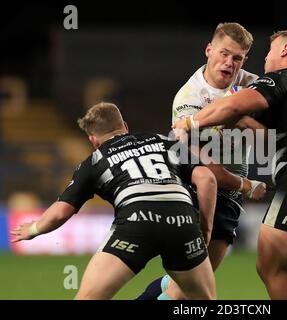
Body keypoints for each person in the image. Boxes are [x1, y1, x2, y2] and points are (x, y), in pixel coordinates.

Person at [173, 30, 287, 300]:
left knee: (271, 269)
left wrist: (189, 123)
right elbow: (259, 128)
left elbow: (231, 107)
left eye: (268, 52)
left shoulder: (281, 78)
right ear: (209, 50)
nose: (265, 59)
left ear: (283, 50)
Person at [10, 102, 218, 300]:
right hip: (182, 221)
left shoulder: (95, 160)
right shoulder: (163, 141)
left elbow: (61, 212)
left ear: (93, 140)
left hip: (137, 221)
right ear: (124, 126)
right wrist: (205, 229)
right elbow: (207, 179)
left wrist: (34, 229)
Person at [138, 22, 267, 300]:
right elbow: (203, 167)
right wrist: (246, 185)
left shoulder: (251, 84)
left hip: (228, 199)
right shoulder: (189, 99)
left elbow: (271, 136)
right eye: (224, 53)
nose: (229, 63)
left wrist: (239, 116)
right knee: (193, 289)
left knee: (185, 284)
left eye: (237, 58)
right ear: (209, 50)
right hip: (195, 194)